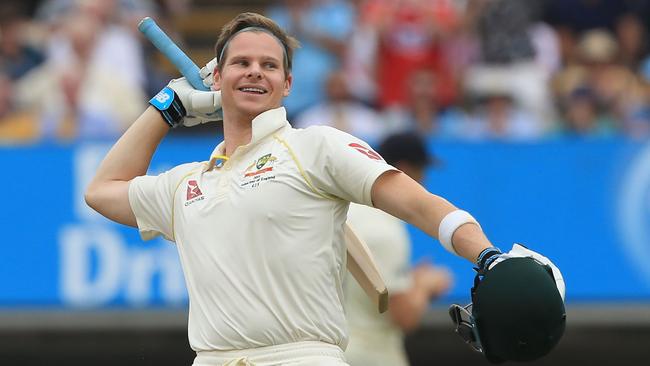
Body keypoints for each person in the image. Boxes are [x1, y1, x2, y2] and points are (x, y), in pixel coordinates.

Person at [85, 12, 563, 366]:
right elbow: (102, 190)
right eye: (241, 63)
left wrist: (486, 256)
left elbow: (417, 203)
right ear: (218, 78)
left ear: (288, 83)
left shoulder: (316, 147)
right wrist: (166, 107)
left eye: (269, 65)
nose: (254, 71)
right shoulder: (189, 181)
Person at [344, 132, 452, 366]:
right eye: (421, 171)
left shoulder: (346, 211)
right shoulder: (385, 230)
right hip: (371, 356)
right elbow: (404, 316)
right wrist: (424, 285)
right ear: (403, 170)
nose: (424, 182)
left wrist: (409, 281)